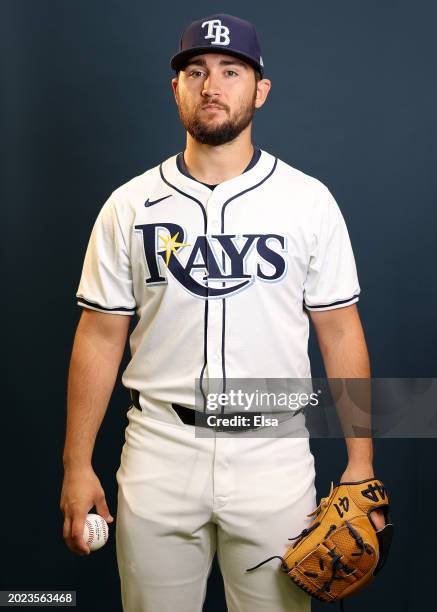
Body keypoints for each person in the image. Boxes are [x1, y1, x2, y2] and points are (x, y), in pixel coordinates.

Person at [60, 13, 385, 612]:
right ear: (176, 88)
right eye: (196, 71)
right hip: (159, 450)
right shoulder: (128, 206)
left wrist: (360, 462)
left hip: (274, 455)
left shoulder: (307, 201)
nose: (212, 86)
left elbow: (340, 331)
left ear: (259, 89)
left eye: (231, 71)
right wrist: (76, 465)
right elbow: (101, 337)